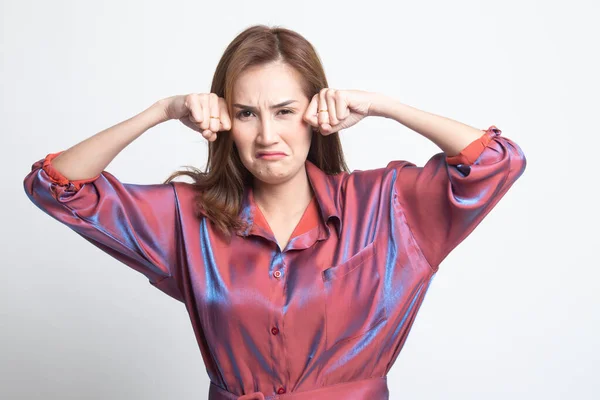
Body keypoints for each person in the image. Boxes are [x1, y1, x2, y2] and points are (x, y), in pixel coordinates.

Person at [22, 24, 527, 400]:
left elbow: (496, 162)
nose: (267, 136)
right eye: (247, 113)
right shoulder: (188, 220)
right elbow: (56, 186)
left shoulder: (388, 207)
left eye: (285, 111)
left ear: (314, 113)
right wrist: (163, 110)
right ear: (225, 119)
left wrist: (383, 106)